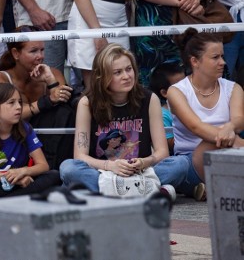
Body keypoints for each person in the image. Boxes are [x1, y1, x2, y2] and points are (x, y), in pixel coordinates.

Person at [59, 44, 189, 195]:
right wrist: (110, 166)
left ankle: (108, 193)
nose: (127, 76)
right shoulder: (87, 103)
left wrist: (143, 162)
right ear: (103, 77)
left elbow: (162, 152)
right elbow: (80, 156)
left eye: (129, 69)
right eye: (117, 72)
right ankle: (150, 190)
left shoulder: (149, 99)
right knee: (68, 168)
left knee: (181, 164)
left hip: (141, 171)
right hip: (103, 173)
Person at [168, 30, 244, 201]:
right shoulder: (177, 91)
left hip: (227, 154)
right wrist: (226, 136)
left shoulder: (233, 88)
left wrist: (230, 127)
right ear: (195, 61)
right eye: (215, 57)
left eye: (222, 56)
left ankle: (207, 189)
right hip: (191, 161)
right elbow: (196, 127)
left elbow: (239, 121)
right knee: (180, 165)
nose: (223, 62)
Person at [0, 40, 75, 169]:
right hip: (11, 137)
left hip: (44, 140)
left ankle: (55, 170)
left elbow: (64, 106)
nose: (40, 56)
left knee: (64, 112)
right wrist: (47, 101)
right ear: (16, 53)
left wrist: (50, 81)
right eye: (33, 51)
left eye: (42, 50)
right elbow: (3, 115)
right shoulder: (1, 78)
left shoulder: (52, 73)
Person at [0, 83, 61, 198]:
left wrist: (23, 172)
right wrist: (8, 178)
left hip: (22, 180)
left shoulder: (25, 128)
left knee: (54, 176)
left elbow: (43, 165)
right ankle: (20, 198)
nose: (19, 107)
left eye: (19, 102)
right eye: (11, 103)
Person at [149, 62, 186, 153]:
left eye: (186, 83)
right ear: (164, 93)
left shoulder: (194, 102)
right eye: (180, 87)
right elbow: (168, 143)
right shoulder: (163, 114)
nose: (186, 88)